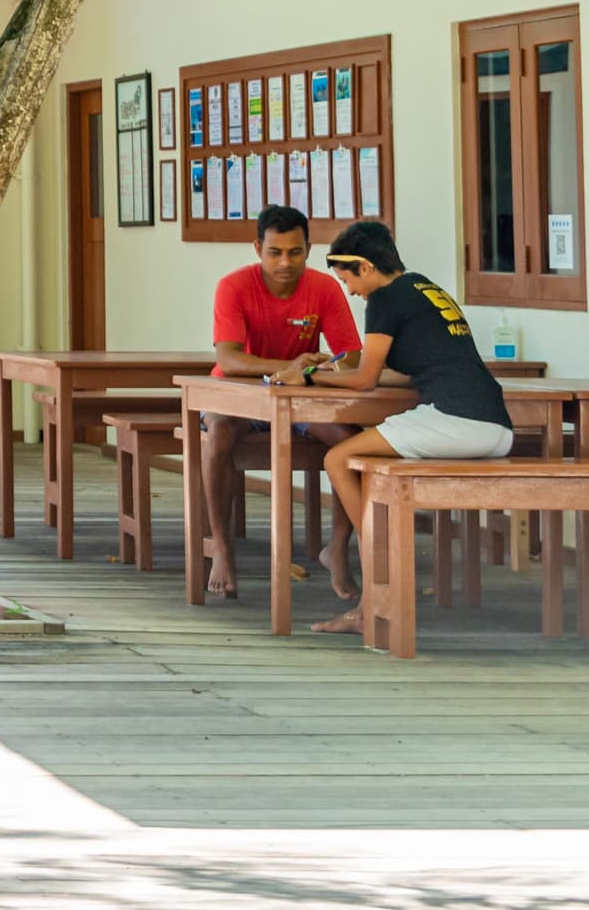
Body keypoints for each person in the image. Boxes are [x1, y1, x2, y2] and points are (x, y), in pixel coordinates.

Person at [307, 219, 517, 634]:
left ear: (366, 267)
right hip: (495, 425)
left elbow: (365, 380)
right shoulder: (423, 287)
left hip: (457, 420)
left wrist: (309, 378)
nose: (351, 291)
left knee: (338, 459)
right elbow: (403, 373)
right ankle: (368, 592)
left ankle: (369, 562)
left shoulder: (383, 299)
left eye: (348, 280)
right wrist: (333, 373)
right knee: (365, 466)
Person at [200, 205, 361, 598]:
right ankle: (221, 544)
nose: (285, 262)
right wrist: (289, 367)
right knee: (218, 434)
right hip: (237, 396)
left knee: (351, 440)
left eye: (295, 252)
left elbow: (352, 356)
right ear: (258, 248)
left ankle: (338, 547)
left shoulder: (324, 288)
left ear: (309, 249)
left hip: (298, 399)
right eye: (275, 252)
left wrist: (322, 367)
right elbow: (229, 360)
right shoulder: (233, 286)